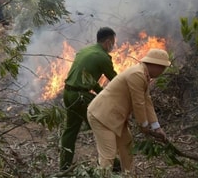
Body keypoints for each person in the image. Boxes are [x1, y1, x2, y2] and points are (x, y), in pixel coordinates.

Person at [86, 48, 171, 176]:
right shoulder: (136, 74)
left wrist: (156, 127)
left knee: (127, 146)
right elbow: (139, 103)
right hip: (102, 115)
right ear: (154, 65)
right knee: (108, 154)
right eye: (162, 68)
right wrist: (143, 125)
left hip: (116, 117)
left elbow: (147, 101)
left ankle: (129, 175)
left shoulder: (143, 75)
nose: (163, 71)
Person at [59, 27, 118, 171]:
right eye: (113, 42)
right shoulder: (103, 57)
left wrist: (100, 92)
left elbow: (89, 79)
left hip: (68, 93)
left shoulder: (86, 50)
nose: (113, 46)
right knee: (101, 127)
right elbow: (116, 80)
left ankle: (64, 167)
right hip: (81, 97)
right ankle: (112, 164)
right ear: (108, 41)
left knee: (71, 130)